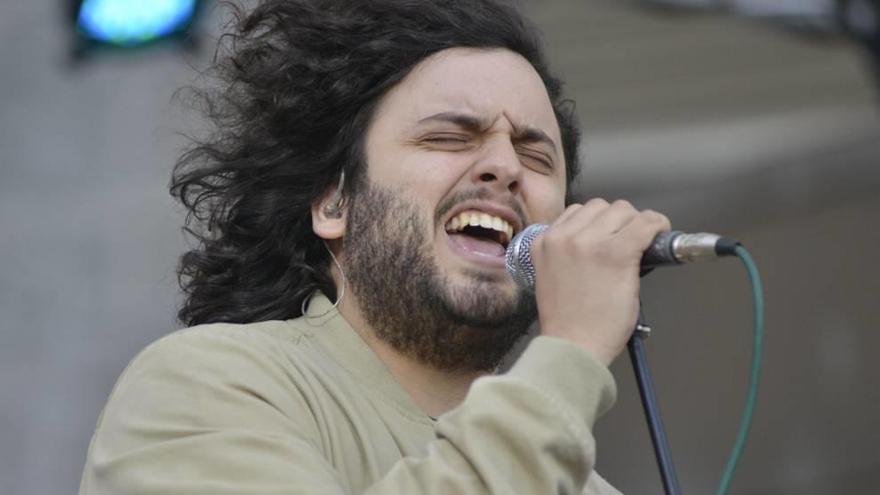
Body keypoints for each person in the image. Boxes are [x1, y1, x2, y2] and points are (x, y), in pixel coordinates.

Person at [79, 0, 671, 493]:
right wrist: (570, 350)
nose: (504, 167)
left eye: (536, 155)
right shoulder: (205, 385)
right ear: (334, 203)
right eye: (448, 137)